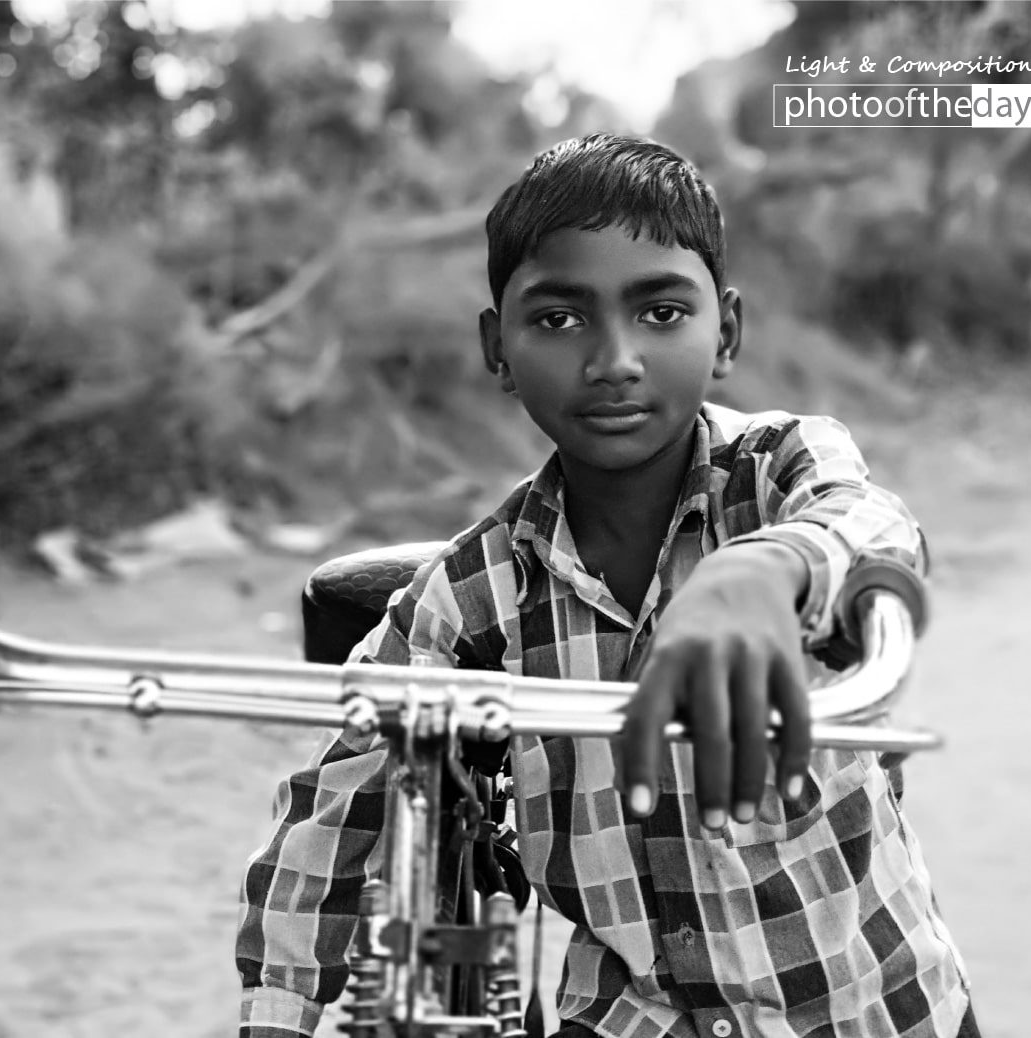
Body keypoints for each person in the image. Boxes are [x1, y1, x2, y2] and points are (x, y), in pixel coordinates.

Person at [236, 134, 976, 1038]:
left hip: (872, 1007)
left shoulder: (779, 468)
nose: (613, 359)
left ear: (725, 331)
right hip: (633, 1015)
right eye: (558, 319)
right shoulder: (471, 592)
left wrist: (763, 569)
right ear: (496, 348)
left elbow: (871, 525)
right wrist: (274, 1016)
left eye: (661, 312)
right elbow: (331, 818)